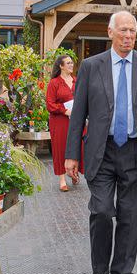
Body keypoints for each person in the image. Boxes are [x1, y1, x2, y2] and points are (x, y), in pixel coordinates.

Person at [64, 11, 137, 274]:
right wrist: (71, 154)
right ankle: (97, 272)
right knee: (101, 212)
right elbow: (78, 112)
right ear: (110, 32)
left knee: (130, 217)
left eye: (132, 31)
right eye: (123, 30)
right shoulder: (92, 66)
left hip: (135, 152)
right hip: (101, 152)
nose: (128, 36)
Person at [46, 55, 83, 192]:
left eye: (72, 62)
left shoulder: (77, 81)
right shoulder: (54, 83)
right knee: (60, 148)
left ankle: (74, 172)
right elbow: (50, 104)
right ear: (61, 66)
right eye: (68, 63)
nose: (71, 65)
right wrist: (65, 111)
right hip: (59, 121)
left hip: (76, 120)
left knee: (78, 146)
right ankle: (62, 180)